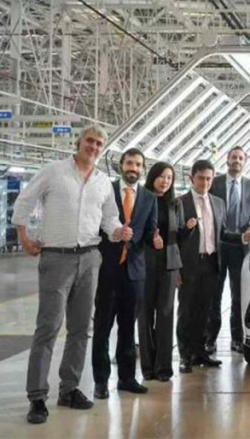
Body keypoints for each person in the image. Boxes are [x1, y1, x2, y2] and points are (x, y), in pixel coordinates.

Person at [12, 126, 133, 425]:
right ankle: (37, 396)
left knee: (81, 329)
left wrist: (117, 231)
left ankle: (69, 388)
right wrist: (24, 238)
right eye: (90, 140)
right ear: (79, 142)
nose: (94, 146)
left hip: (90, 258)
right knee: (48, 327)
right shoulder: (54, 171)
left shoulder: (103, 182)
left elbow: (109, 217)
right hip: (56, 257)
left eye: (100, 143)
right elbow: (24, 201)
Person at [91, 148, 158, 400]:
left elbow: (150, 231)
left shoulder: (149, 197)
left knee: (128, 327)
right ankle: (100, 381)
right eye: (130, 163)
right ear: (121, 165)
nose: (133, 168)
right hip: (108, 268)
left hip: (135, 272)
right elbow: (94, 225)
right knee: (102, 326)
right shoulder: (105, 190)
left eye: (138, 164)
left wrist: (155, 240)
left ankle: (127, 378)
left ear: (143, 168)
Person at [177, 160, 250, 374]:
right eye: (201, 178)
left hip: (211, 263)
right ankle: (185, 356)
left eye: (209, 179)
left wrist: (242, 238)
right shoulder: (180, 203)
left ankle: (201, 352)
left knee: (205, 311)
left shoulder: (218, 203)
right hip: (189, 264)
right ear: (191, 179)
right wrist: (176, 268)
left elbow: (223, 233)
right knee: (186, 311)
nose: (205, 183)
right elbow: (175, 237)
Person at [207, 147, 250, 355]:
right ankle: (210, 339)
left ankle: (236, 339)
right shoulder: (214, 183)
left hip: (240, 247)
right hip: (217, 246)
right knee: (214, 295)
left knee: (238, 296)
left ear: (245, 162)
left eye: (240, 158)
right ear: (227, 160)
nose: (237, 160)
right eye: (233, 157)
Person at [139, 161, 183, 383]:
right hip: (145, 262)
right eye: (162, 176)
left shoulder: (175, 204)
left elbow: (179, 236)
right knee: (144, 314)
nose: (165, 181)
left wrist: (190, 230)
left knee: (166, 314)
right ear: (153, 177)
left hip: (169, 264)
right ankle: (148, 367)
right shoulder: (141, 199)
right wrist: (150, 239)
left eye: (169, 178)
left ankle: (163, 367)